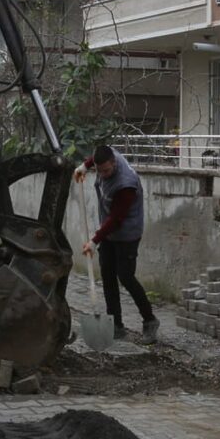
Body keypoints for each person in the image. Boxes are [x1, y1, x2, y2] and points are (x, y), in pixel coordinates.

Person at [74, 145, 159, 344]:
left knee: (126, 277)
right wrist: (84, 167)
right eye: (99, 170)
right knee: (108, 276)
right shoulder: (105, 157)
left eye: (106, 171)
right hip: (109, 232)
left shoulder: (125, 184)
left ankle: (150, 320)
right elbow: (96, 156)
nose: (102, 175)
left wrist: (94, 241)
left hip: (127, 233)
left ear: (114, 163)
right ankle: (116, 325)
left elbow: (117, 219)